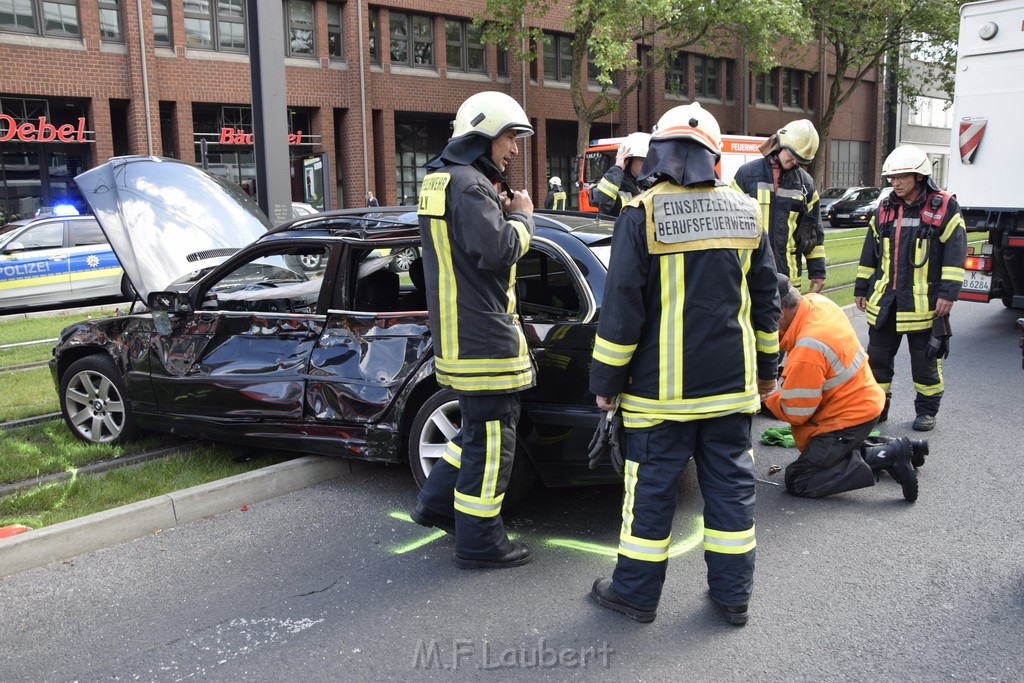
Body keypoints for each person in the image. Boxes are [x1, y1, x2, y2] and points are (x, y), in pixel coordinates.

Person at [588, 102, 781, 627]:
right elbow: (766, 301)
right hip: (731, 392)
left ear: (660, 151)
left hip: (659, 397)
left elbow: (622, 309)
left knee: (650, 496)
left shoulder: (641, 213)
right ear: (714, 155)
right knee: (731, 497)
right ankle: (733, 598)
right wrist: (769, 371)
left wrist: (606, 383)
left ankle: (634, 595)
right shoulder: (747, 210)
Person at [410, 91, 536, 570]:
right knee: (493, 444)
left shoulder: (442, 181)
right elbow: (499, 249)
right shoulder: (467, 186)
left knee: (478, 434)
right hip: (485, 337)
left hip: (459, 332)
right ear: (483, 135)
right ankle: (480, 541)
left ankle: (437, 502)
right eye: (510, 138)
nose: (515, 150)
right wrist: (522, 215)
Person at [762, 275, 924, 502]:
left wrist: (766, 397)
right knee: (829, 454)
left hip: (846, 420)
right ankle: (905, 448)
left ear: (780, 312)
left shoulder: (808, 348)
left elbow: (796, 413)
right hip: (864, 403)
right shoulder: (818, 303)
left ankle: (886, 456)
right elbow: (787, 335)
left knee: (799, 478)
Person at [854, 145, 967, 432]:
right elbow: (870, 251)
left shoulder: (943, 206)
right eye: (892, 178)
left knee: (925, 363)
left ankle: (926, 412)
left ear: (919, 176)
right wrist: (860, 287)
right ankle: (877, 409)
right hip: (886, 302)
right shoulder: (884, 207)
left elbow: (955, 252)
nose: (896, 183)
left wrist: (948, 294)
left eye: (902, 177)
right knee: (877, 362)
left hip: (924, 304)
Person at [731, 119, 826, 293]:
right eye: (792, 156)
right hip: (751, 274)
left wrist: (817, 271)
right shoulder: (746, 175)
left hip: (789, 278)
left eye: (800, 160)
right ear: (781, 145)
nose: (795, 162)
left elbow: (814, 234)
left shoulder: (806, 184)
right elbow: (728, 224)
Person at [589, 131, 651, 216]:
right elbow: (600, 200)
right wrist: (618, 167)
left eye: (649, 160)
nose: (647, 164)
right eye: (643, 160)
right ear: (628, 161)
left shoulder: (648, 186)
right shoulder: (615, 186)